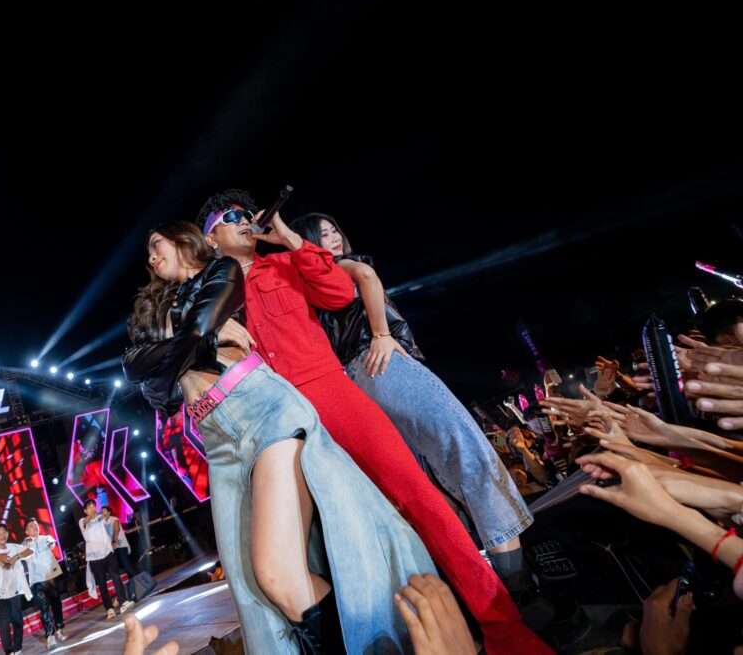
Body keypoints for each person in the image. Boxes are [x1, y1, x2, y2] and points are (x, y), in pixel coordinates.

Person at [195, 190, 551, 655]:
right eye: (230, 217)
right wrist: (211, 328)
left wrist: (288, 238)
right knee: (327, 543)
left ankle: (503, 626)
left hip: (330, 393)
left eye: (247, 212)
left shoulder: (284, 263)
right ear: (210, 239)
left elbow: (339, 292)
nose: (244, 219)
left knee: (418, 498)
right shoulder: (207, 299)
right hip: (274, 420)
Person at [123, 221, 439, 654]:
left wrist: (187, 342)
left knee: (276, 574)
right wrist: (204, 342)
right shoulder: (157, 306)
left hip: (261, 409)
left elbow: (190, 334)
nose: (151, 257)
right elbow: (144, 380)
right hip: (215, 438)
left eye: (156, 244)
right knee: (252, 589)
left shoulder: (220, 272)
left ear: (183, 240)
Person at [291, 211, 536, 592]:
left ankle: (478, 583)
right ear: (308, 243)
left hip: (355, 382)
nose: (334, 236)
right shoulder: (340, 266)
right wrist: (381, 333)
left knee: (426, 480)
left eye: (335, 228)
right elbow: (367, 275)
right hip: (382, 365)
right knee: (467, 448)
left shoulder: (309, 287)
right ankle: (519, 582)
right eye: (322, 233)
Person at [0, 523, 33, 655]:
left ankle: (17, 648)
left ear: (8, 534)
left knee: (18, 623)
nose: (2, 536)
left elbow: (30, 551)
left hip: (14, 593)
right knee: (4, 625)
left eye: (4, 532)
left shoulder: (13, 547)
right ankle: (9, 652)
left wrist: (16, 557)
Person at [79, 499, 133, 619]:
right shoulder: (82, 521)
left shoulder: (101, 518)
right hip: (94, 558)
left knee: (116, 577)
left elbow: (111, 522)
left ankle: (123, 601)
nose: (92, 508)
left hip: (108, 553)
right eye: (89, 507)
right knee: (102, 584)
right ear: (85, 511)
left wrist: (104, 515)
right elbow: (86, 521)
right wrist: (92, 515)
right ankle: (109, 608)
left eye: (93, 506)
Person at [22, 518, 68, 648]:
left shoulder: (46, 538)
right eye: (31, 526)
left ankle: (59, 628)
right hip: (37, 581)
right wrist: (28, 544)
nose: (35, 527)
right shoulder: (25, 543)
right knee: (44, 608)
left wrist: (49, 543)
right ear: (27, 531)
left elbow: (52, 543)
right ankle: (50, 636)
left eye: (35, 524)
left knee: (56, 604)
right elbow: (23, 554)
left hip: (51, 577)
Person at [101, 505, 139, 602]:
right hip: (113, 549)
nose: (102, 513)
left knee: (127, 566)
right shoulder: (103, 524)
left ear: (109, 512)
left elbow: (116, 530)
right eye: (101, 511)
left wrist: (114, 542)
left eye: (104, 511)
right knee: (118, 570)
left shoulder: (114, 519)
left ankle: (142, 581)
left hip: (120, 546)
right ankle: (132, 591)